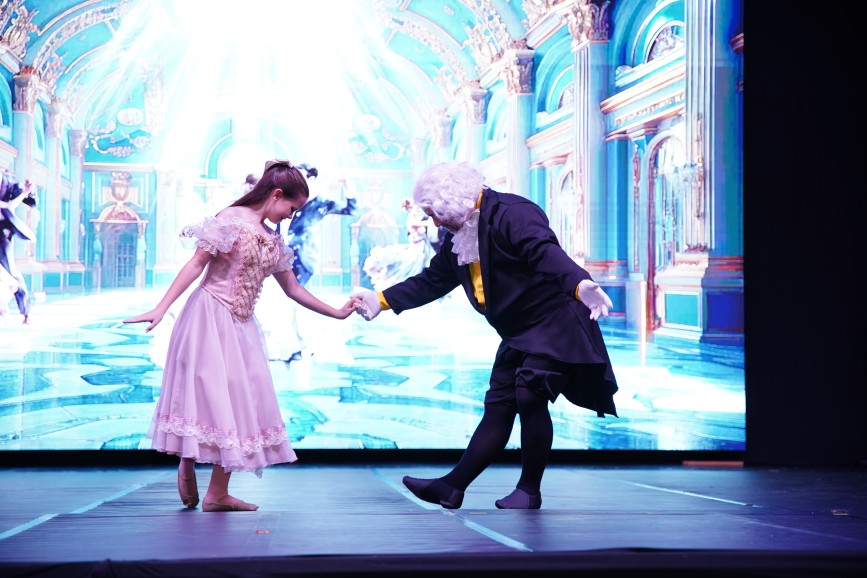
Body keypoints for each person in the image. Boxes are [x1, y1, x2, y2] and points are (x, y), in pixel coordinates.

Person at [352, 161, 618, 509]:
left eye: (434, 213)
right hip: (519, 331)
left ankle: (528, 491)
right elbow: (434, 280)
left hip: (555, 323)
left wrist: (580, 284)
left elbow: (545, 252)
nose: (434, 223)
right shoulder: (459, 234)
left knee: (530, 395)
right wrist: (382, 300)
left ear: (448, 199)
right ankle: (452, 487)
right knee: (498, 406)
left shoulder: (512, 212)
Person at [124, 159, 359, 512]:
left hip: (242, 326)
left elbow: (293, 289)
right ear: (276, 194)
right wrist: (161, 307)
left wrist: (338, 312)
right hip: (208, 315)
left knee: (238, 400)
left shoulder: (273, 239)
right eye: (291, 208)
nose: (291, 216)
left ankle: (217, 493)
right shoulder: (230, 219)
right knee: (204, 393)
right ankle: (187, 460)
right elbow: (196, 264)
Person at [0, 173, 36, 324]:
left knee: (11, 272)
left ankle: (25, 311)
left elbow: (29, 201)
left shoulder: (8, 183)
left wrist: (28, 192)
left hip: (2, 234)